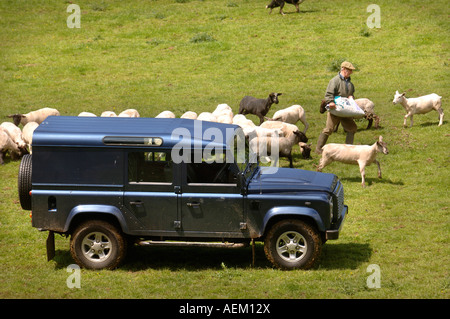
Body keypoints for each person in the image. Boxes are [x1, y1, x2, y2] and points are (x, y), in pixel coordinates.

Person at [316, 61, 358, 154]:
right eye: (349, 70)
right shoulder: (334, 81)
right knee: (328, 129)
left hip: (345, 110)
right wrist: (330, 102)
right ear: (343, 69)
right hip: (335, 110)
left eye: (351, 70)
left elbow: (351, 94)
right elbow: (328, 94)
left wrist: (351, 97)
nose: (351, 72)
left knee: (352, 128)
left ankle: (348, 150)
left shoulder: (350, 83)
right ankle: (319, 149)